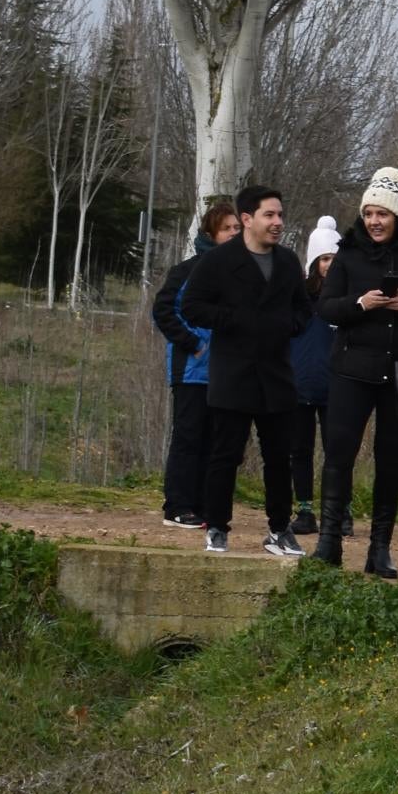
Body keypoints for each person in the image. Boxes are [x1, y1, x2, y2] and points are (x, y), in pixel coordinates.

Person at [311, 167, 398, 578]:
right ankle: (329, 544)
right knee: (339, 455)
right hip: (350, 372)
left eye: (383, 214)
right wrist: (360, 305)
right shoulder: (349, 252)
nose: (374, 221)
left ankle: (380, 549)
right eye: (369, 213)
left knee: (391, 461)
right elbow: (325, 307)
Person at [180, 186, 317, 557]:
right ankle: (218, 528)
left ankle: (279, 529)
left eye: (280, 215)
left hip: (277, 376)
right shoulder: (219, 262)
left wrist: (288, 325)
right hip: (232, 374)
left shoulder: (288, 262)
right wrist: (233, 320)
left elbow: (304, 309)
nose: (278, 223)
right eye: (269, 215)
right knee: (225, 455)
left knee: (278, 458)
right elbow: (192, 306)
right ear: (246, 219)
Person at [149, 202, 238, 527]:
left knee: (216, 442)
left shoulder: (241, 274)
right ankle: (177, 506)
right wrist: (193, 343)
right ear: (211, 232)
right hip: (190, 371)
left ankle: (202, 506)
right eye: (227, 228)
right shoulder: (186, 271)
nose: (233, 234)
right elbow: (162, 312)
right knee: (188, 437)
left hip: (226, 373)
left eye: (237, 228)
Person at [286, 249, 335, 537]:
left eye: (334, 259)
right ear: (315, 263)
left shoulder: (347, 299)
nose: (329, 265)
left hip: (337, 387)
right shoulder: (297, 297)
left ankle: (339, 511)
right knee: (300, 451)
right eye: (324, 259)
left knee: (337, 453)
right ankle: (304, 510)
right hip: (299, 384)